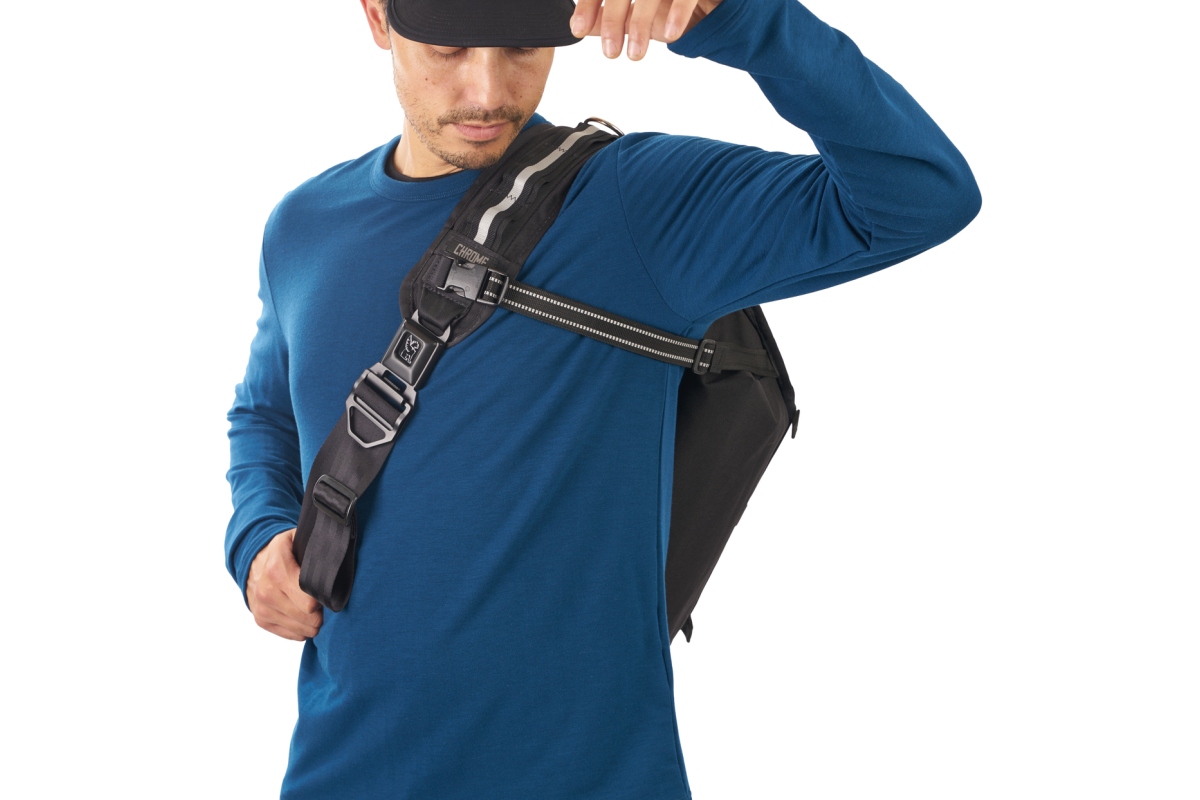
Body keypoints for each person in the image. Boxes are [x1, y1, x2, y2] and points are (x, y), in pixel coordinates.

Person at [224, 0, 981, 796]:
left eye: (523, 48)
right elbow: (265, 414)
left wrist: (736, 19)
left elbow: (921, 194)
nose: (487, 92)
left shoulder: (633, 204)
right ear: (379, 18)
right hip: (341, 772)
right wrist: (258, 537)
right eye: (449, 49)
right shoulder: (302, 225)